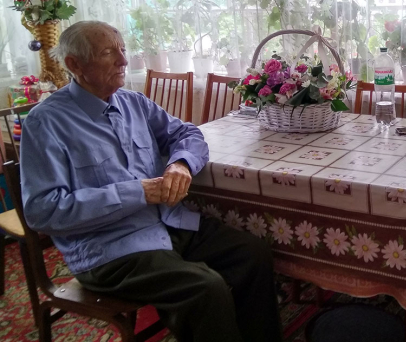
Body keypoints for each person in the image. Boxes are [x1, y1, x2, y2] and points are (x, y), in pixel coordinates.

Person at [20, 21, 282, 342]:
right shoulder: (46, 122)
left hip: (167, 223)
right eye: (108, 53)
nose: (123, 61)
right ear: (75, 65)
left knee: (253, 253)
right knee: (204, 288)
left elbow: (187, 133)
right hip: (110, 248)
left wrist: (181, 164)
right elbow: (43, 210)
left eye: (122, 50)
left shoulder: (133, 103)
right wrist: (138, 192)